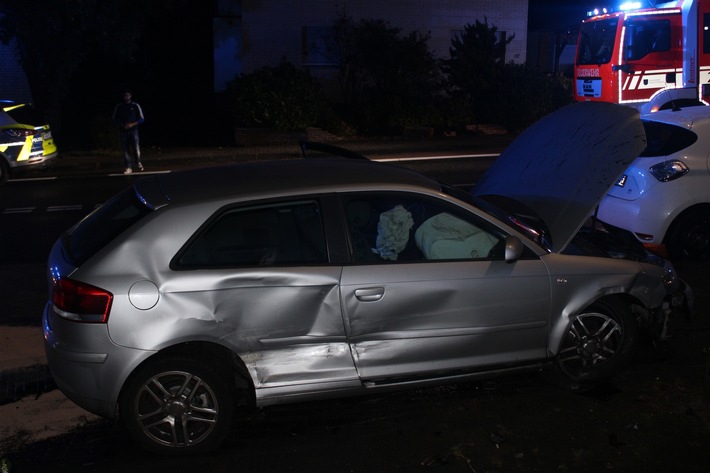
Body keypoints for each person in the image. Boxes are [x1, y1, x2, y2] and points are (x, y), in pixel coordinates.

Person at [112, 90, 145, 174]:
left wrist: (133, 124)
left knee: (136, 148)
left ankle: (138, 161)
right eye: (125, 96)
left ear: (130, 96)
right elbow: (114, 119)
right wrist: (122, 124)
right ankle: (128, 167)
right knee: (125, 150)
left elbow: (141, 118)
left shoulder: (135, 105)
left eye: (128, 95)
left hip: (133, 130)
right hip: (123, 131)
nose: (126, 97)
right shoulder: (119, 106)